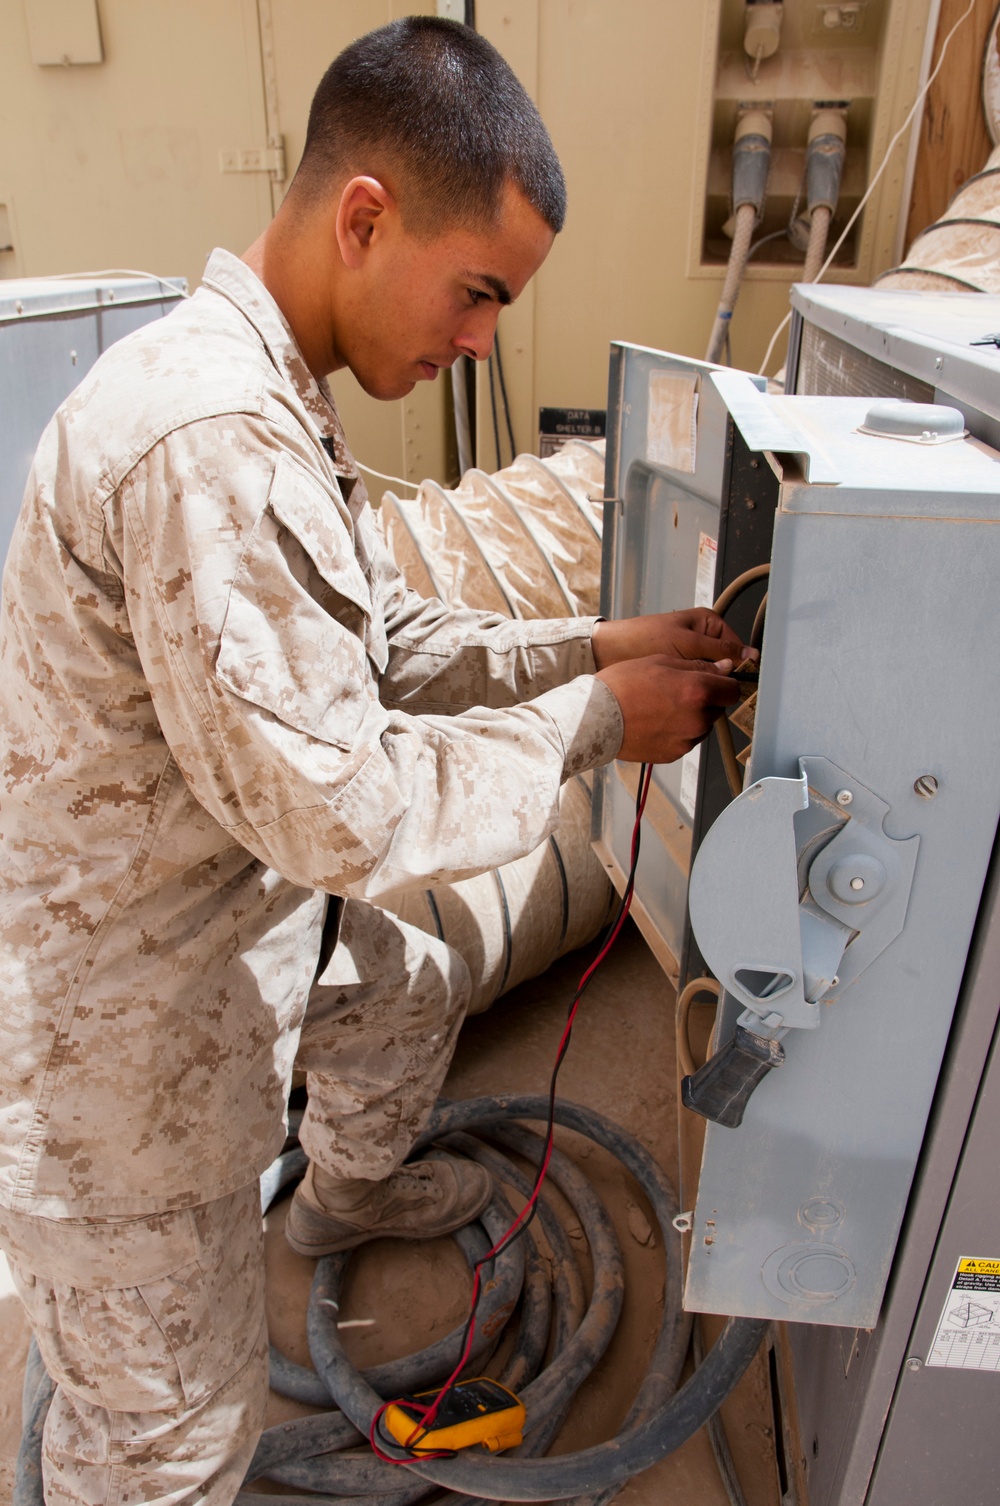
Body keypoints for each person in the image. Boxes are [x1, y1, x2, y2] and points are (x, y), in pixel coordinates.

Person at [0, 16, 748, 1505]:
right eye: (480, 293)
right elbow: (348, 810)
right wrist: (601, 726)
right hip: (123, 1059)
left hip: (225, 892)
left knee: (397, 987)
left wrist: (586, 651)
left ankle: (342, 1198)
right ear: (365, 216)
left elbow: (383, 634)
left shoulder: (270, 389)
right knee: (168, 1447)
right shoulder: (211, 441)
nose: (483, 340)